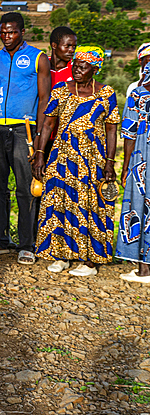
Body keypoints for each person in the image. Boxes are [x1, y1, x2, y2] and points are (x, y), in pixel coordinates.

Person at [32, 46, 119, 277]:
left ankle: (89, 261)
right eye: (76, 65)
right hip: (62, 156)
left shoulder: (106, 93)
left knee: (90, 206)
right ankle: (60, 255)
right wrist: (40, 154)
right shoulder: (61, 89)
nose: (77, 69)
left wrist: (110, 162)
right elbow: (48, 124)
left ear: (95, 68)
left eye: (84, 66)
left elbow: (111, 130)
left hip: (93, 159)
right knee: (59, 203)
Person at [0, 11, 51, 265]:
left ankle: (26, 244)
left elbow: (45, 99)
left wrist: (40, 137)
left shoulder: (38, 58)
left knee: (25, 189)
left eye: (11, 32)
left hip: (24, 129)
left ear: (22, 32)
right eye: (3, 32)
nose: (6, 36)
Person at [118, 62, 150, 283]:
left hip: (142, 157)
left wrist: (126, 165)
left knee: (139, 206)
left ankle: (144, 269)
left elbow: (129, 134)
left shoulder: (138, 94)